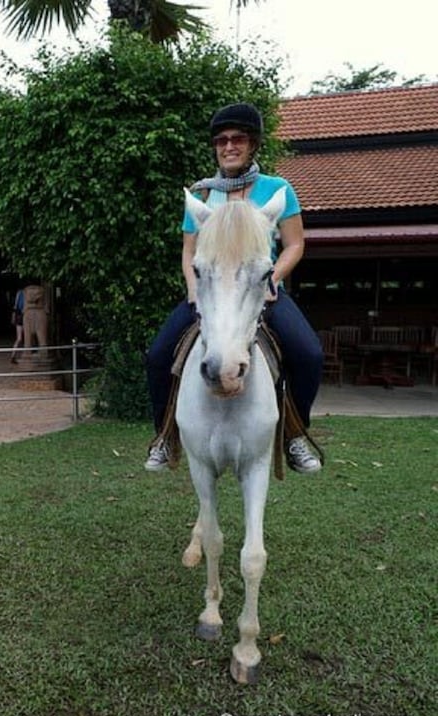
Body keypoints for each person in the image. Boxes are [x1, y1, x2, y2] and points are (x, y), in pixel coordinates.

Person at [144, 102, 323, 474]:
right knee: (158, 355)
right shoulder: (203, 197)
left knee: (308, 354)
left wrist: (273, 277)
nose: (229, 146)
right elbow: (189, 250)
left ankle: (294, 432)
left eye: (238, 138)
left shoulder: (278, 189)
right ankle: (165, 434)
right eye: (221, 140)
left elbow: (294, 244)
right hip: (211, 297)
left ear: (252, 144)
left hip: (264, 292)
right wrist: (194, 291)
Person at [9, 288, 24, 363]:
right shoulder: (20, 293)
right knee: (20, 338)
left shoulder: (20, 293)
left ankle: (14, 355)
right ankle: (13, 355)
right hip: (21, 317)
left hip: (23, 316)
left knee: (21, 338)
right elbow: (15, 306)